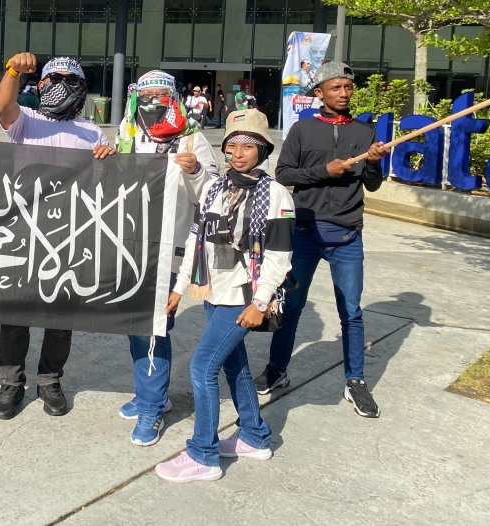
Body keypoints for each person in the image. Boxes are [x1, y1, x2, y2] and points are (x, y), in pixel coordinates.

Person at [155, 109, 294, 483]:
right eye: (232, 145)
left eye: (248, 145)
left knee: (202, 367)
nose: (238, 152)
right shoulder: (218, 188)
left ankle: (203, 456)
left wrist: (259, 303)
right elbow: (195, 240)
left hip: (242, 297)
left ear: (263, 150)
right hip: (214, 292)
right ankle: (254, 436)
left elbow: (279, 256)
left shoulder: (276, 194)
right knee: (235, 366)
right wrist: (180, 287)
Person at [255, 62, 388, 418]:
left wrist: (374, 162)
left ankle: (355, 380)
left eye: (348, 87)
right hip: (304, 233)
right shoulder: (302, 130)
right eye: (336, 87)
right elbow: (282, 175)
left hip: (347, 237)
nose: (344, 93)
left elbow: (372, 184)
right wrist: (323, 171)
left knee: (351, 312)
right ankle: (277, 369)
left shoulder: (364, 131)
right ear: (319, 93)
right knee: (292, 307)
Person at [0, 52, 115, 420]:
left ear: (82, 90)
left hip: (70, 238)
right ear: (40, 85)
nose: (62, 86)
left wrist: (108, 160)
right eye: (53, 78)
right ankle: (11, 382)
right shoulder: (26, 120)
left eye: (71, 80)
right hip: (24, 235)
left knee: (60, 318)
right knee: (16, 316)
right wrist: (13, 70)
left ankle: (49, 380)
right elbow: (2, 105)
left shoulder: (93, 132)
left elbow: (102, 188)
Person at [115, 71, 219, 446]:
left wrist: (193, 171)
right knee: (135, 325)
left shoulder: (192, 138)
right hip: (130, 248)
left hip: (169, 253)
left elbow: (212, 193)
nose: (154, 101)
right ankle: (150, 393)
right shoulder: (128, 135)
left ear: (175, 98)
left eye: (162, 94)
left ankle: (151, 408)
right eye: (147, 95)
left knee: (153, 329)